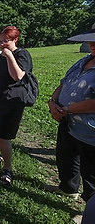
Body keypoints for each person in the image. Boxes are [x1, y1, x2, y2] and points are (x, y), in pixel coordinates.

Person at [45, 23, 95, 203]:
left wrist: (67, 109)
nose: (92, 45)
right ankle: (68, 188)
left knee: (91, 173)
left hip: (90, 131)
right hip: (68, 123)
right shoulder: (84, 60)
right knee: (66, 159)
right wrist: (52, 103)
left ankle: (89, 212)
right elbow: (64, 83)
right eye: (91, 41)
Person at [0, 26, 33, 186]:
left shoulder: (21, 54)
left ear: (15, 40)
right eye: (1, 41)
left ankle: (8, 169)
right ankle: (3, 155)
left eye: (6, 41)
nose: (3, 44)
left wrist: (10, 56)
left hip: (12, 98)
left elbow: (18, 76)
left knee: (3, 135)